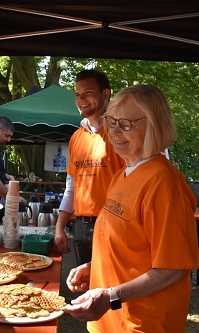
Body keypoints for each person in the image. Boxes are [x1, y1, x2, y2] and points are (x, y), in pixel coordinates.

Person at [63, 84, 199, 332]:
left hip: (143, 323)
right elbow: (131, 247)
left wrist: (110, 296)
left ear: (154, 126)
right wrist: (95, 268)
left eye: (126, 124)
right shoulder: (122, 174)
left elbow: (173, 269)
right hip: (109, 323)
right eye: (111, 121)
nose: (114, 131)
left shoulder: (164, 183)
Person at [54, 69, 125, 266]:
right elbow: (72, 187)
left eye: (88, 93)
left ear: (105, 94)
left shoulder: (121, 134)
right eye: (77, 95)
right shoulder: (77, 138)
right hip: (81, 227)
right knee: (87, 288)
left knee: (113, 291)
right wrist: (60, 227)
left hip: (115, 225)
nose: (81, 100)